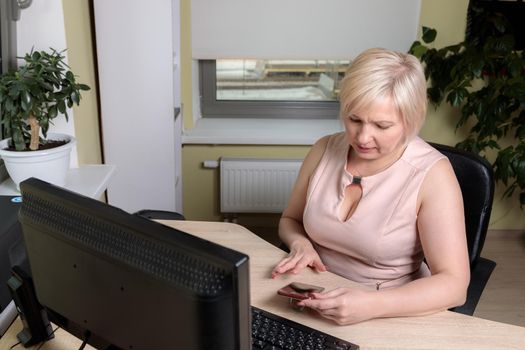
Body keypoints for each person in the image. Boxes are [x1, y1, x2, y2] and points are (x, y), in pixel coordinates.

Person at [271, 48, 470, 325]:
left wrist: (372, 305)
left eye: (382, 125)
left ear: (411, 120)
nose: (363, 137)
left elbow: (455, 286)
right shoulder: (323, 149)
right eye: (354, 119)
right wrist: (301, 244)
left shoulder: (433, 175)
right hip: (315, 294)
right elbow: (289, 219)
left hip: (390, 310)